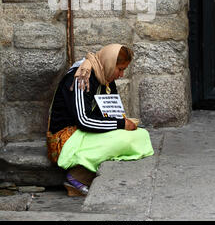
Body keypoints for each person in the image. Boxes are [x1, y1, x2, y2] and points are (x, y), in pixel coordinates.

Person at [46, 44, 154, 196]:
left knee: (140, 135)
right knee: (122, 140)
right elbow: (84, 121)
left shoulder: (105, 77)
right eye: (120, 69)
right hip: (65, 138)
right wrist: (121, 124)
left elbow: (111, 112)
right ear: (110, 64)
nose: (121, 75)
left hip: (85, 132)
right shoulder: (81, 78)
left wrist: (123, 123)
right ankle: (77, 178)